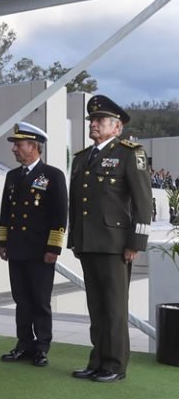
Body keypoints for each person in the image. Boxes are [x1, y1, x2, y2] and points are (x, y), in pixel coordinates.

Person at [68, 95, 152, 383]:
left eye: (99, 121)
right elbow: (76, 204)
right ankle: (97, 360)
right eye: (92, 120)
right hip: (88, 243)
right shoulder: (81, 158)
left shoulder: (130, 153)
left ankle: (115, 365)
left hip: (115, 245)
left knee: (115, 307)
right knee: (96, 306)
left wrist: (135, 244)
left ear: (117, 128)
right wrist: (74, 240)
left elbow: (143, 204)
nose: (93, 124)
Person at [0, 122, 67, 367]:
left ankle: (42, 347)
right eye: (15, 145)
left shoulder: (53, 175)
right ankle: (23, 343)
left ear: (34, 146)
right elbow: (6, 212)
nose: (14, 149)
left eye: (19, 144)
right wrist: (3, 241)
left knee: (40, 300)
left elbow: (60, 215)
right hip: (16, 248)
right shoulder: (13, 176)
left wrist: (53, 248)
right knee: (21, 299)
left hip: (40, 251)